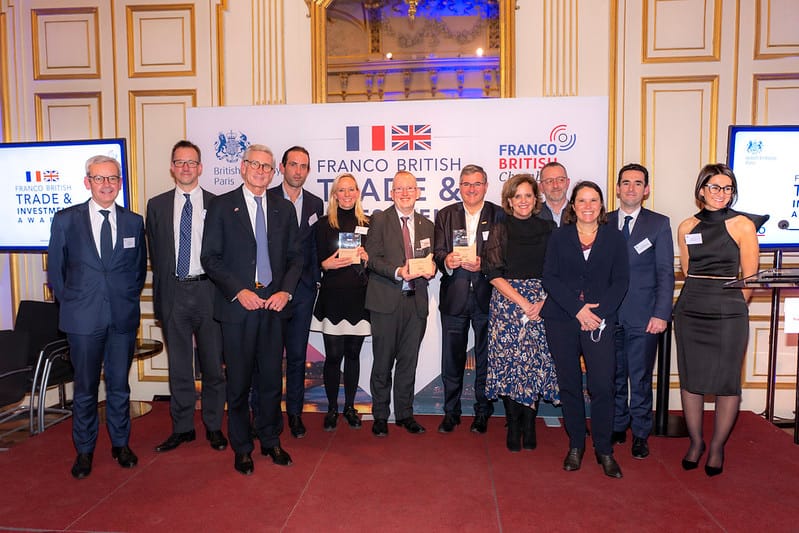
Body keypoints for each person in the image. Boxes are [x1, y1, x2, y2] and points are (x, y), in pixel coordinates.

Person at [201, 144, 303, 475]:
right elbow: (210, 258)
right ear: (242, 167)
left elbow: (295, 257)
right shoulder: (221, 206)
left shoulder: (283, 209)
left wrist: (286, 291)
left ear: (274, 173)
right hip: (239, 308)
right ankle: (242, 447)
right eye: (255, 165)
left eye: (267, 167)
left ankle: (271, 440)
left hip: (273, 307)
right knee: (240, 383)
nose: (261, 171)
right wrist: (238, 291)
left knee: (272, 380)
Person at [48, 155, 147, 479]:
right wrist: (74, 305)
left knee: (119, 386)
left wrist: (125, 300)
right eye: (100, 178)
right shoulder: (66, 220)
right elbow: (57, 273)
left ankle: (121, 444)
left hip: (122, 319)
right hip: (83, 321)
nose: (107, 184)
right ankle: (85, 450)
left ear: (120, 183)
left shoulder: (133, 221)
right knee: (87, 388)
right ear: (87, 182)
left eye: (113, 178)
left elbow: (136, 270)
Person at [674, 163, 759, 477]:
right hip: (691, 307)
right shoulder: (686, 227)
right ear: (701, 190)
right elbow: (687, 269)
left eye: (727, 188)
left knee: (726, 383)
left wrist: (734, 308)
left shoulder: (743, 225)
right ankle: (696, 442)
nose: (721, 193)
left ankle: (718, 446)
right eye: (714, 187)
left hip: (728, 309)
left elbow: (749, 278)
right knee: (691, 379)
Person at [542, 181, 629, 478]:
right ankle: (576, 445)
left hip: (600, 322)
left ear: (602, 206)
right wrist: (577, 310)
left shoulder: (615, 238)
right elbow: (549, 278)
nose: (588, 206)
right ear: (573, 206)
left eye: (594, 200)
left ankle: (604, 449)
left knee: (603, 386)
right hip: (562, 320)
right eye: (582, 201)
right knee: (569, 386)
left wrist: (597, 314)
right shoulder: (558, 237)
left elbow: (621, 282)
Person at [146, 140, 227, 454]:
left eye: (191, 162)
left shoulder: (217, 204)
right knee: (179, 366)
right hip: (174, 293)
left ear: (201, 167)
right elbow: (156, 253)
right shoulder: (157, 206)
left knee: (212, 366)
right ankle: (182, 428)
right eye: (179, 162)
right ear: (171, 167)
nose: (185, 167)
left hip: (209, 292)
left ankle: (213, 426)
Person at [482, 174, 559, 452]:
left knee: (534, 365)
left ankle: (530, 423)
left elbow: (557, 270)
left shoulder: (549, 228)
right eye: (518, 196)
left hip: (542, 303)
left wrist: (543, 301)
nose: (523, 201)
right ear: (509, 201)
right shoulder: (499, 229)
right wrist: (522, 302)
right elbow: (492, 272)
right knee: (510, 364)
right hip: (507, 303)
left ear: (535, 199)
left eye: (528, 195)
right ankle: (513, 425)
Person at [608, 163, 674, 459]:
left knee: (641, 377)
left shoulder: (659, 224)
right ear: (617, 188)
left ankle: (641, 433)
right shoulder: (602, 221)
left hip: (645, 317)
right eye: (626, 182)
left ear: (646, 189)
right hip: (608, 316)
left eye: (637, 183)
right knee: (614, 375)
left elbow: (665, 273)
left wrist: (661, 314)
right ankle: (618, 424)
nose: (631, 188)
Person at [433, 164, 504, 434]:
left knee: (485, 359)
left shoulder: (499, 215)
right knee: (451, 359)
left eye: (476, 184)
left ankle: (482, 412)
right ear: (459, 187)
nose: (471, 189)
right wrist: (447, 260)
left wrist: (483, 263)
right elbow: (438, 252)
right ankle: (451, 412)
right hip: (455, 297)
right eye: (466, 184)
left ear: (486, 186)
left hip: (489, 298)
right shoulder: (446, 215)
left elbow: (504, 257)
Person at [365, 170, 435, 437]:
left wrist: (433, 268)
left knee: (409, 362)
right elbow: (371, 258)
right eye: (399, 189)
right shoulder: (380, 219)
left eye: (410, 189)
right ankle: (381, 415)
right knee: (382, 362)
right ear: (392, 193)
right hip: (385, 301)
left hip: (415, 303)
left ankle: (404, 414)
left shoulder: (428, 225)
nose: (405, 193)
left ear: (418, 193)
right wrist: (397, 271)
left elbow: (431, 260)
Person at [268, 146, 324, 439]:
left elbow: (315, 247)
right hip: (273, 293)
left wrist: (315, 281)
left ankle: (295, 415)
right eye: (293, 165)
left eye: (304, 166)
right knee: (269, 357)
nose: (298, 171)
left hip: (302, 293)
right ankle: (269, 414)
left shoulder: (315, 203)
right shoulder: (267, 198)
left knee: (298, 357)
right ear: (282, 167)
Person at [312, 173, 370, 431]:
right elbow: (311, 261)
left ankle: (350, 407)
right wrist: (324, 264)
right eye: (341, 190)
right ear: (334, 194)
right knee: (333, 356)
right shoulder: (323, 225)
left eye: (351, 190)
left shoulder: (369, 224)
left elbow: (376, 262)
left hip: (359, 299)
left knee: (354, 355)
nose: (346, 195)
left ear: (358, 193)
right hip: (333, 298)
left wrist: (367, 258)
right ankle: (332, 408)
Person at [537, 162, 571, 227]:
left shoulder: (579, 213)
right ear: (541, 187)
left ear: (567, 183)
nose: (555, 185)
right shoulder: (533, 216)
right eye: (549, 181)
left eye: (560, 180)